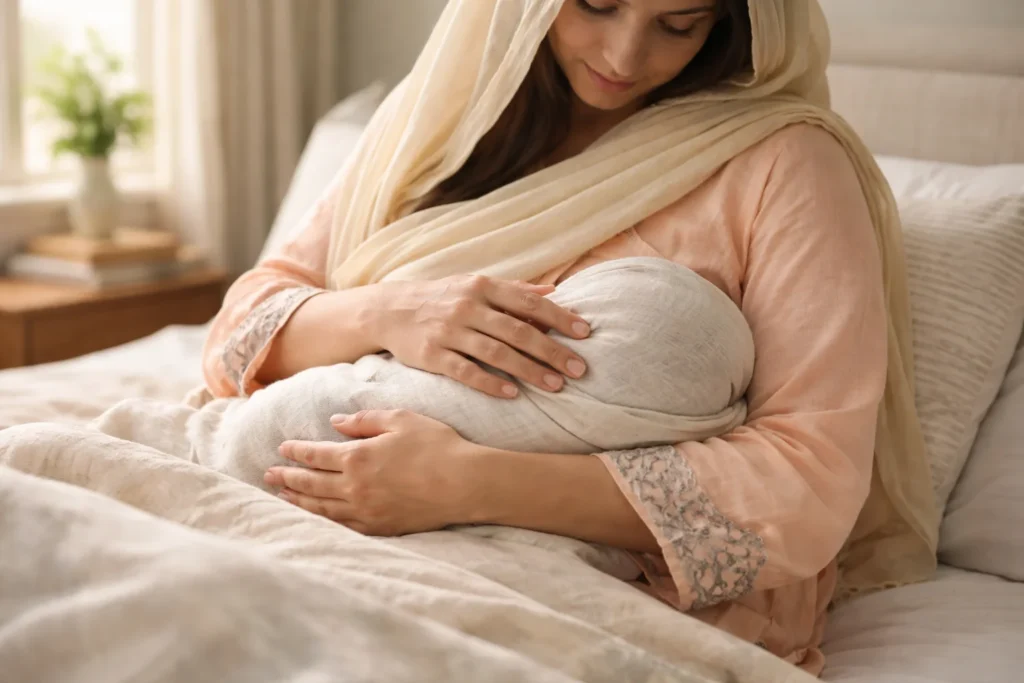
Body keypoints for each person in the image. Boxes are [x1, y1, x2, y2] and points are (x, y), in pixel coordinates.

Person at [201, 0, 938, 675]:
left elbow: (806, 479)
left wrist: (465, 482)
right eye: (596, 4)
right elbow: (237, 332)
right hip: (317, 507)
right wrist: (390, 313)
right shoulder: (446, 113)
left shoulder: (785, 164)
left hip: (602, 576)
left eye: (678, 24)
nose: (623, 55)